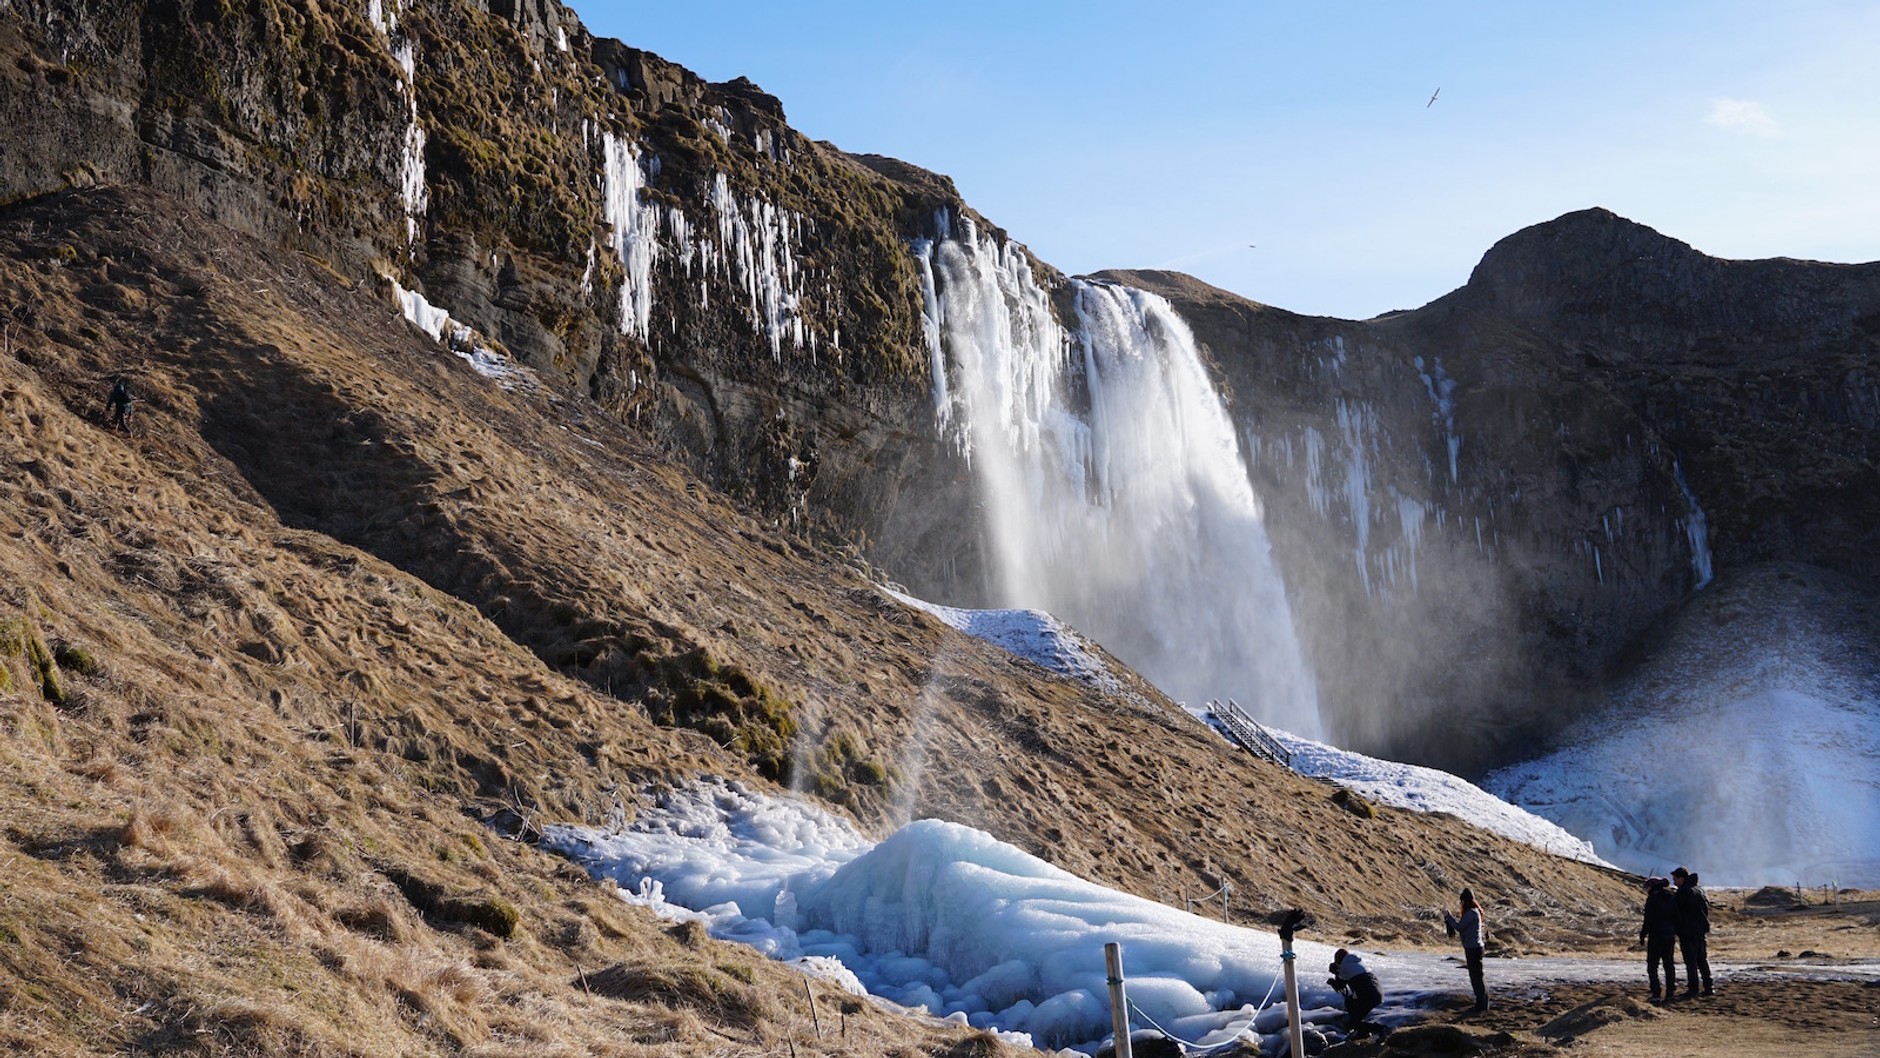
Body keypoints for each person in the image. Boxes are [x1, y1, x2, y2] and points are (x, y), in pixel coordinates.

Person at [1442, 887, 1489, 1012]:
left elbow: (1459, 927)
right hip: (1475, 948)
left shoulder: (1471, 913)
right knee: (1477, 976)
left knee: (1476, 977)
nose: (1460, 903)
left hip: (1473, 949)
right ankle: (1482, 1003)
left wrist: (1448, 916)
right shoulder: (1474, 912)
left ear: (1465, 900)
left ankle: (1482, 1005)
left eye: (1461, 901)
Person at [1671, 867, 1714, 996]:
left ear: (1681, 878)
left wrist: (1677, 927)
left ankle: (1693, 989)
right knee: (1702, 960)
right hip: (1700, 930)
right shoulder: (1699, 890)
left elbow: (1676, 912)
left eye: (1675, 879)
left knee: (1691, 962)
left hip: (1688, 931)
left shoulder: (1683, 892)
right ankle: (1708, 986)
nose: (1674, 882)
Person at [1639, 876, 1680, 1002]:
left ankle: (1656, 992)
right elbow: (1677, 917)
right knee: (1669, 964)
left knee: (1652, 965)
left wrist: (1643, 934)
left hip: (1656, 935)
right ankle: (1670, 991)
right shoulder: (1671, 897)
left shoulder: (1652, 899)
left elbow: (1648, 920)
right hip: (1669, 935)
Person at [1327, 947, 1383, 1033]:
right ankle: (1363, 1033)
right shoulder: (1356, 963)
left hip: (1368, 994)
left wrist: (1334, 976)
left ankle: (1381, 1029)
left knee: (1354, 1022)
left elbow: (1341, 986)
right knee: (1350, 1002)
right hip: (1376, 992)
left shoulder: (1344, 967)